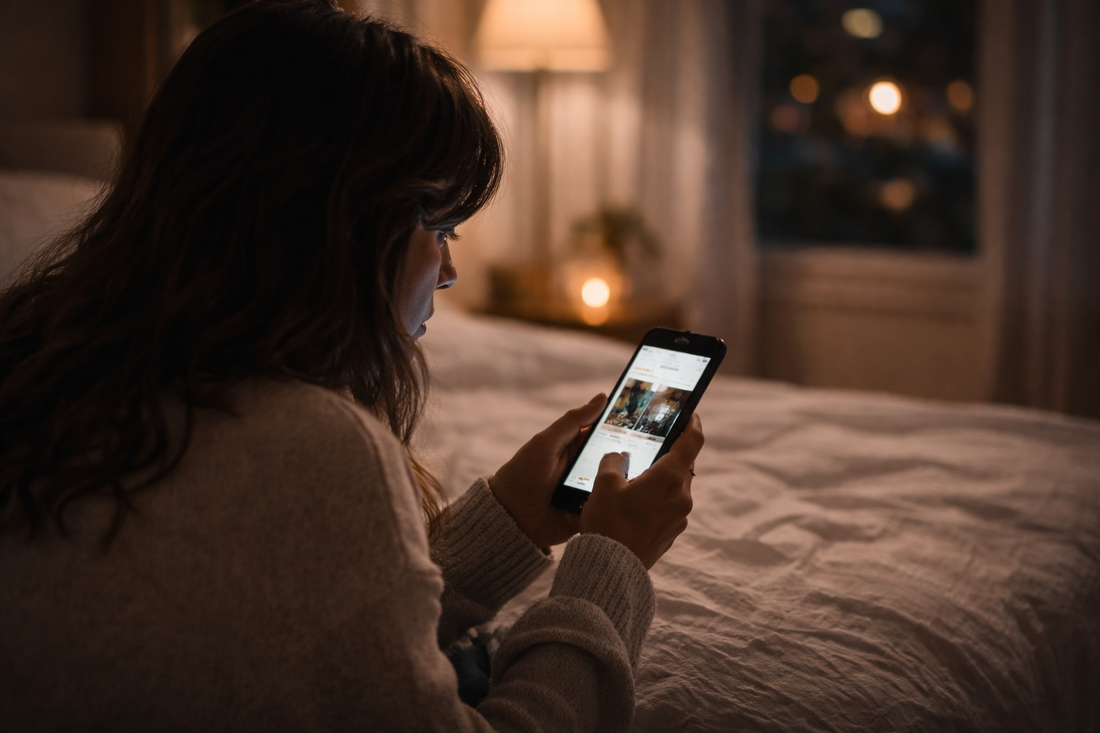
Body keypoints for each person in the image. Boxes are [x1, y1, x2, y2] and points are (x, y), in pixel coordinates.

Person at [0, 1, 702, 730]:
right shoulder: (309, 442)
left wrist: (507, 521)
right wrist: (611, 562)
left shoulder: (35, 359)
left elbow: (265, 628)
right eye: (439, 227)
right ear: (336, 223)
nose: (451, 269)